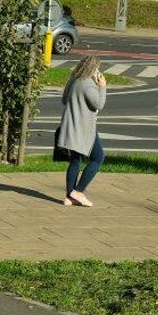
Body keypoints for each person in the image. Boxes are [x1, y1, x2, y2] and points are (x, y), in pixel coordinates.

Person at [57, 55, 107, 207]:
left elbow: (64, 100)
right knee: (98, 158)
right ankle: (78, 191)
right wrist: (102, 87)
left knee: (75, 161)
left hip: (70, 127)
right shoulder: (88, 85)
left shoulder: (73, 80)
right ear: (94, 69)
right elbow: (99, 104)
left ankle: (69, 197)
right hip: (84, 129)